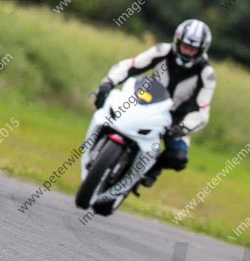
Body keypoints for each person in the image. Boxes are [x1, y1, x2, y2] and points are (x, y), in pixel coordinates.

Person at [92, 19, 216, 187]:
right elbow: (130, 65)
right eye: (185, 46)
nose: (187, 52)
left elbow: (202, 113)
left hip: (176, 119)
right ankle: (97, 151)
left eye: (192, 49)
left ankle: (152, 170)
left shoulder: (206, 74)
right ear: (177, 41)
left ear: (201, 50)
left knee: (178, 158)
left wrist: (182, 128)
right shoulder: (163, 51)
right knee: (111, 117)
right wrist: (108, 83)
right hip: (146, 101)